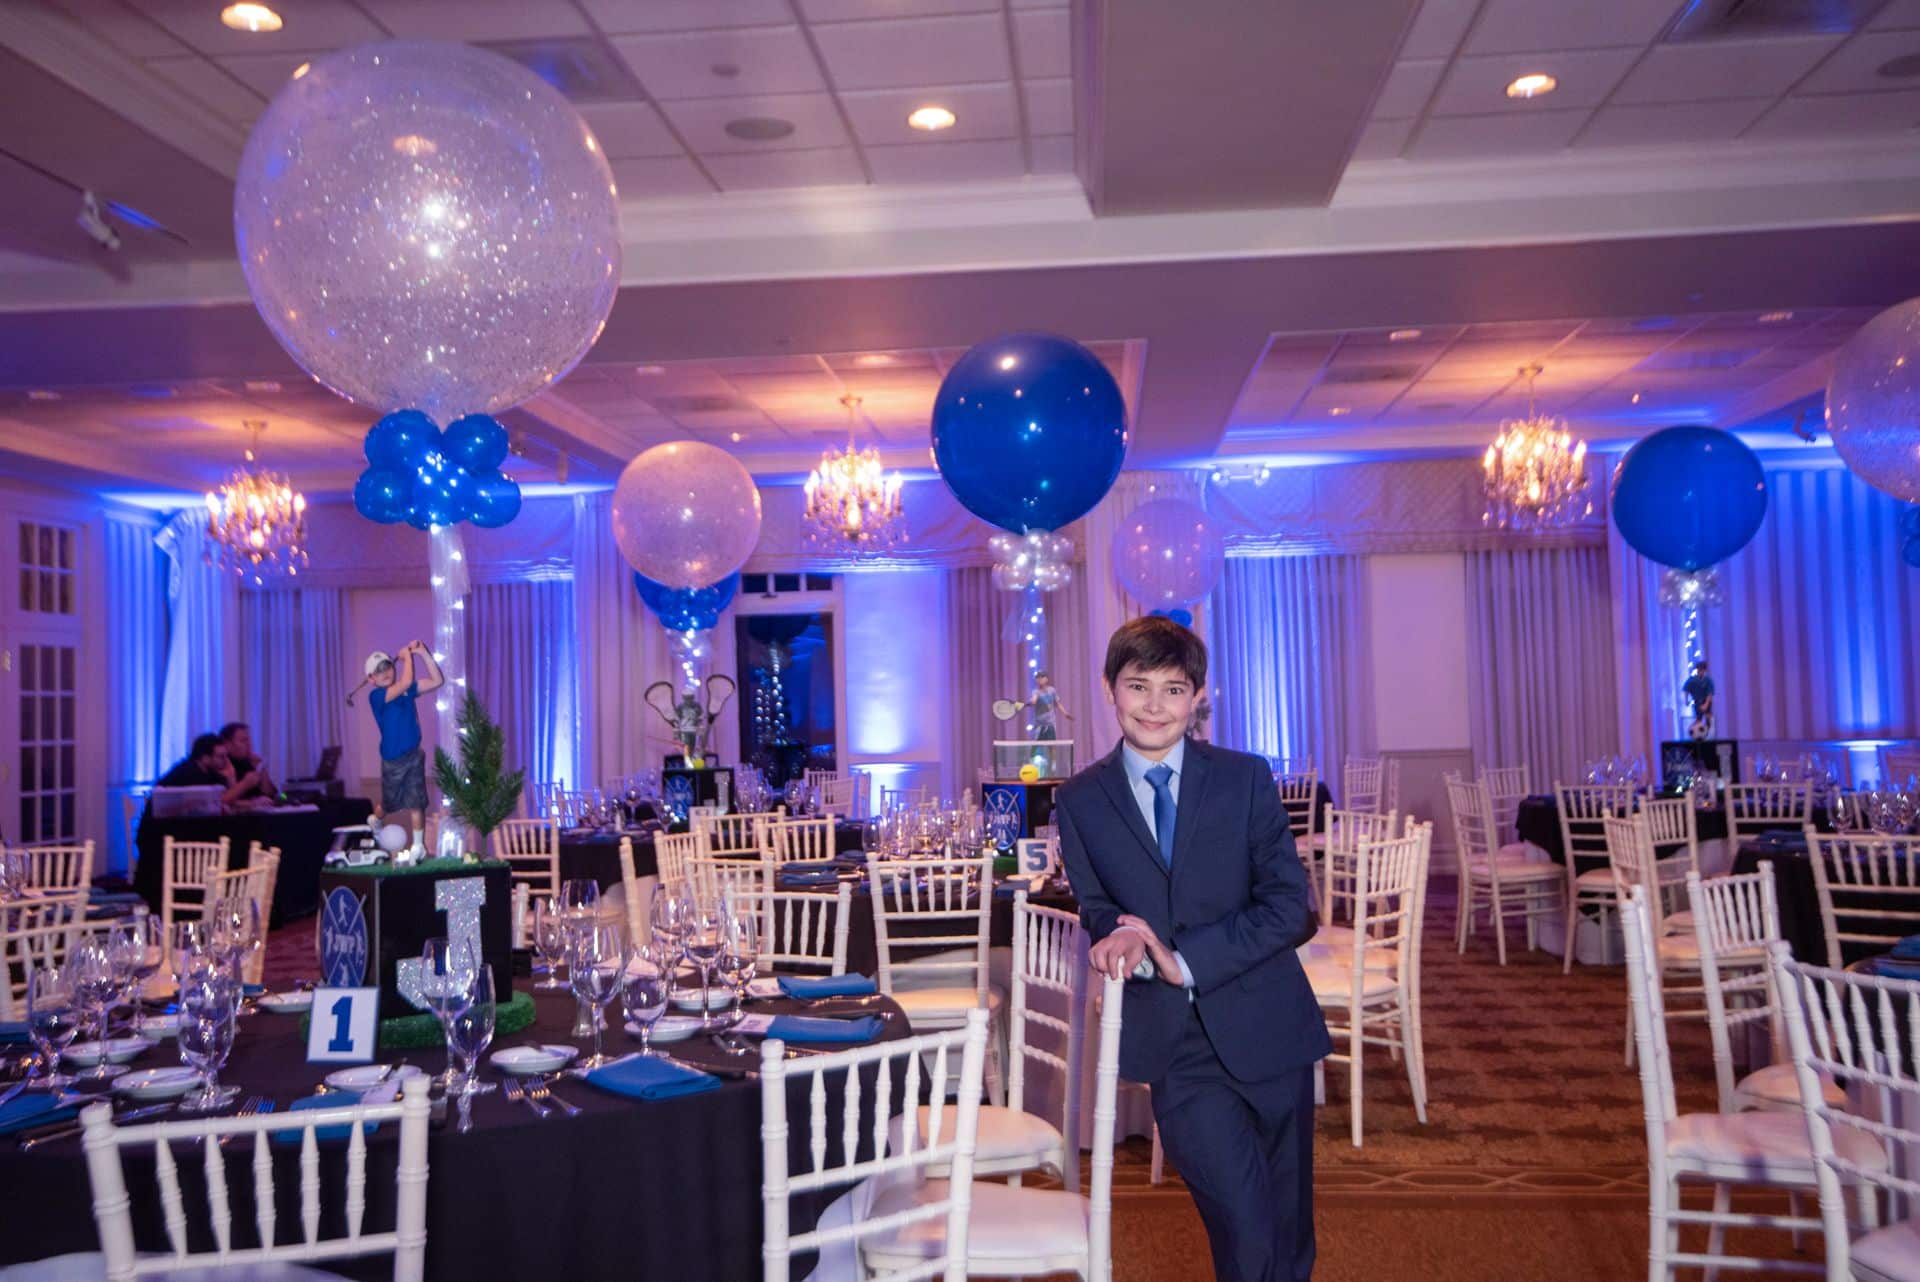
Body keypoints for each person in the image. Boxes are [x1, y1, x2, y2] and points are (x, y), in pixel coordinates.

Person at [1055, 616, 1331, 1282]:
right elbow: (1094, 904)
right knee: (1243, 1223)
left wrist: (1188, 958)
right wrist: (1115, 931)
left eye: (1173, 689)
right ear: (1108, 689)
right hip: (1176, 1048)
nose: (1155, 706)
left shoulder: (1243, 779)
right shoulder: (1080, 799)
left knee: (1288, 1233)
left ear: (1198, 696)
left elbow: (1290, 907)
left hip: (1270, 1027)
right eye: (1138, 686)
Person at [363, 641, 443, 856]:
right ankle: (375, 819)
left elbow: (437, 680)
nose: (385, 673)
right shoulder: (376, 697)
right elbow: (406, 681)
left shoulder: (407, 692)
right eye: (378, 672)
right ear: (371, 679)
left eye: (387, 666)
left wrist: (423, 654)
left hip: (414, 754)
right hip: (393, 759)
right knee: (390, 802)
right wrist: (407, 656)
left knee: (417, 801)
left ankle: (418, 846)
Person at [216, 722, 275, 804]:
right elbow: (221, 800)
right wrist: (246, 785)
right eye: (243, 740)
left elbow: (270, 795)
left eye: (249, 740)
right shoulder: (220, 764)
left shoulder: (247, 762)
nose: (249, 744)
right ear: (227, 744)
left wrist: (261, 767)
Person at [1028, 670, 1071, 741]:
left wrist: (1065, 713)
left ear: (1046, 679)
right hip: (1039, 725)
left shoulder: (1052, 690)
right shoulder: (1035, 692)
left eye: (1041, 677)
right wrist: (1032, 701)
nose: (1039, 679)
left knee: (1052, 747)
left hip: (1050, 724)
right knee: (1036, 747)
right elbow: (1034, 700)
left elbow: (1058, 704)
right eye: (1037, 678)